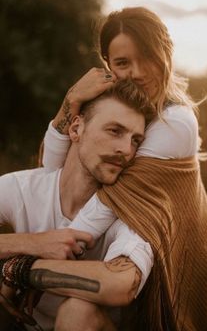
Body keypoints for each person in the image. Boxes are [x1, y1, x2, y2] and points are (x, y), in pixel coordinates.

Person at [41, 7, 207, 331]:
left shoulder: (175, 122)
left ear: (165, 55)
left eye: (147, 57)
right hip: (123, 263)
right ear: (107, 66)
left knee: (76, 310)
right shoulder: (112, 109)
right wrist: (71, 101)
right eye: (123, 63)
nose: (137, 73)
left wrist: (37, 260)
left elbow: (110, 201)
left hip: (173, 293)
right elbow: (50, 172)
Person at [0, 79, 156, 331]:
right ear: (76, 129)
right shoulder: (20, 188)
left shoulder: (130, 211)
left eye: (136, 140)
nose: (126, 149)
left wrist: (21, 268)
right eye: (115, 131)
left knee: (78, 311)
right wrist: (32, 243)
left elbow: (121, 285)